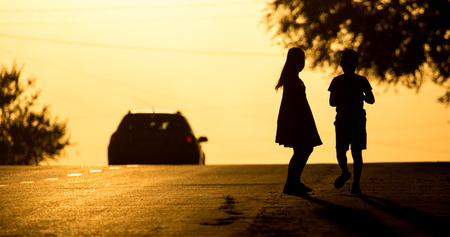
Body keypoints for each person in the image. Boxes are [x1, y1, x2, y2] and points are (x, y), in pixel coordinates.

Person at [275, 47, 322, 196]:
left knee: (302, 150)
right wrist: (299, 122)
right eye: (301, 60)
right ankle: (291, 183)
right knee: (303, 150)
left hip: (297, 120)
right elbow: (293, 104)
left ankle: (294, 182)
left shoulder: (293, 79)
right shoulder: (292, 81)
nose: (303, 63)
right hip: (297, 121)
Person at [328, 49, 375, 195]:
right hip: (347, 120)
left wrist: (359, 97)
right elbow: (332, 102)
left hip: (353, 120)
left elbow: (371, 99)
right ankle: (349, 176)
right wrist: (351, 97)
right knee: (348, 152)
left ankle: (353, 181)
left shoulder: (360, 81)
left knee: (351, 151)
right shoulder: (340, 81)